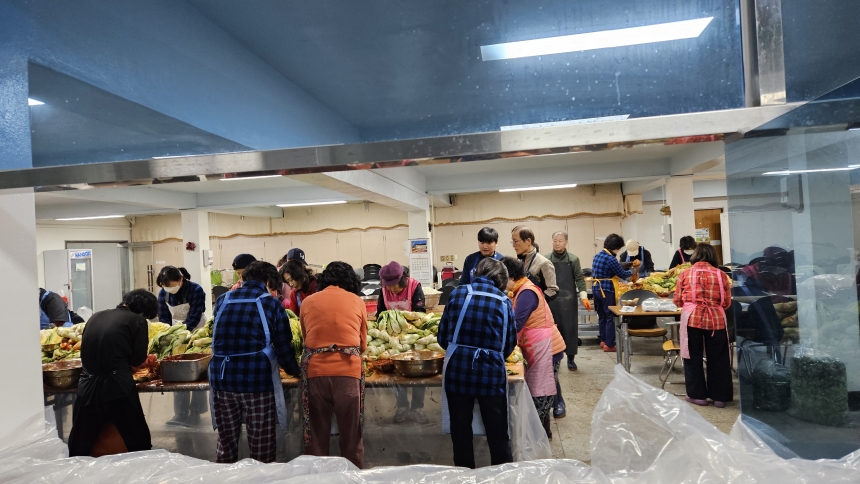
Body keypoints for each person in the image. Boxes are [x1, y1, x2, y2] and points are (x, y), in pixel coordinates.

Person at [209, 261, 300, 463]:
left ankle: (224, 474)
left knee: (226, 442)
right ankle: (260, 475)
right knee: (261, 444)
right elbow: (283, 347)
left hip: (221, 380)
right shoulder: (271, 304)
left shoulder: (223, 300)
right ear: (267, 281)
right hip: (256, 381)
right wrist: (296, 370)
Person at [438, 258, 516, 469]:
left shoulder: (457, 293)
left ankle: (464, 476)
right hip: (491, 374)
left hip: (457, 371)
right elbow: (508, 345)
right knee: (497, 433)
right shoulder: (504, 301)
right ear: (500, 280)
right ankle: (502, 475)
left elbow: (442, 338)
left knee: (461, 432)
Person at [67, 289, 159, 456]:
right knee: (137, 439)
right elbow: (137, 359)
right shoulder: (137, 321)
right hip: (117, 387)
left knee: (80, 442)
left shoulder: (95, 317)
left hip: (87, 386)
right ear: (143, 312)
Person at [300, 261, 367, 469]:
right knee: (351, 434)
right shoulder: (357, 301)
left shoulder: (307, 302)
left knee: (317, 435)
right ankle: (352, 475)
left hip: (315, 372)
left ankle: (319, 477)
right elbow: (362, 345)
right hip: (348, 373)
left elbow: (306, 339)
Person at [501, 257, 565, 440]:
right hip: (535, 347)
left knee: (540, 394)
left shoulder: (527, 292)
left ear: (511, 276)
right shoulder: (519, 289)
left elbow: (516, 323)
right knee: (536, 392)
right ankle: (544, 434)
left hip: (546, 348)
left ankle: (536, 439)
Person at [674, 244, 733, 408]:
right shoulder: (721, 275)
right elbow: (726, 302)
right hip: (716, 320)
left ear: (695, 256)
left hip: (692, 319)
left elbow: (677, 300)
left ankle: (697, 395)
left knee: (692, 357)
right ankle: (720, 397)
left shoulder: (685, 274)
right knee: (719, 358)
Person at [377, 261, 428, 423]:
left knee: (418, 372)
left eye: (394, 285)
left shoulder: (414, 286)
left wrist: (405, 325)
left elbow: (420, 312)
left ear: (403, 279)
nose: (392, 289)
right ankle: (402, 406)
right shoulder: (384, 291)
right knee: (397, 373)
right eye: (388, 286)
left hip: (413, 337)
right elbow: (380, 314)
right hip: (394, 341)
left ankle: (417, 407)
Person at [545, 231, 589, 372]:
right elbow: (541, 280)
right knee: (553, 330)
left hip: (569, 301)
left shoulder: (573, 259)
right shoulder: (546, 259)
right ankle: (553, 360)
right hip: (552, 300)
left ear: (566, 242)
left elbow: (579, 278)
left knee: (570, 330)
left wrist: (584, 296)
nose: (557, 243)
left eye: (560, 240)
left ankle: (571, 359)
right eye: (555, 240)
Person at [591, 234, 639, 352]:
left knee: (602, 316)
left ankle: (603, 340)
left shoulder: (597, 255)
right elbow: (622, 274)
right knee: (610, 317)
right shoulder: (610, 259)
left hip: (596, 289)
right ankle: (609, 344)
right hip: (606, 290)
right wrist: (633, 270)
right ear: (616, 247)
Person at [511, 226, 558, 298]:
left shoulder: (543, 263)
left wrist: (536, 301)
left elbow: (552, 290)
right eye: (512, 241)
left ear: (528, 241)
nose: (513, 245)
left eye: (516, 241)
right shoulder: (519, 261)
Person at [156, 265, 207, 330]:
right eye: (165, 286)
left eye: (170, 286)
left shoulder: (196, 290)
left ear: (180, 279)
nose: (168, 289)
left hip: (196, 328)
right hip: (176, 329)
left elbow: (194, 318)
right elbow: (164, 317)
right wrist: (168, 331)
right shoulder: (163, 293)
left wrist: (180, 331)